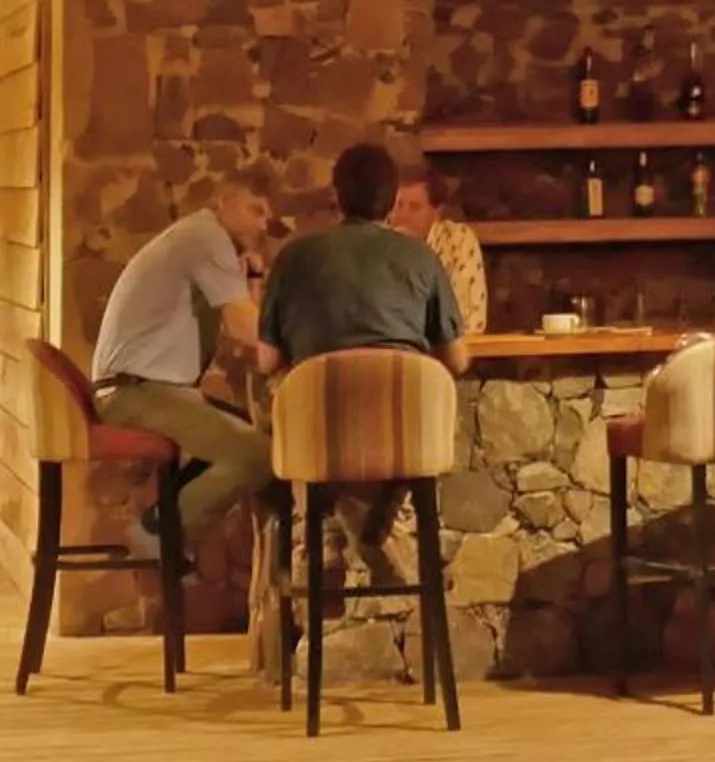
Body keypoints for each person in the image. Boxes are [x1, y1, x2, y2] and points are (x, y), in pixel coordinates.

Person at [89, 174, 279, 563]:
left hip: (145, 389)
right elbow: (245, 329)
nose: (263, 224)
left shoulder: (202, 238)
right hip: (136, 392)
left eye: (267, 216)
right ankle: (157, 532)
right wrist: (300, 338)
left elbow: (239, 331)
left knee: (255, 435)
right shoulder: (206, 238)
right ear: (224, 201)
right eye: (255, 210)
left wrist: (254, 278)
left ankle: (169, 529)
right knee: (259, 455)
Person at [259, 142, 471, 375]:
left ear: (337, 198)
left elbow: (266, 361)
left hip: (317, 406)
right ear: (392, 202)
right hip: (403, 405)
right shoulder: (422, 258)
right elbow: (457, 360)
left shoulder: (291, 257)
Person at [388, 142, 488, 337]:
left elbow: (471, 322)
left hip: (443, 358)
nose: (401, 216)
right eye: (396, 206)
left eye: (414, 207)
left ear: (436, 212)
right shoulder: (376, 241)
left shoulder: (457, 241)